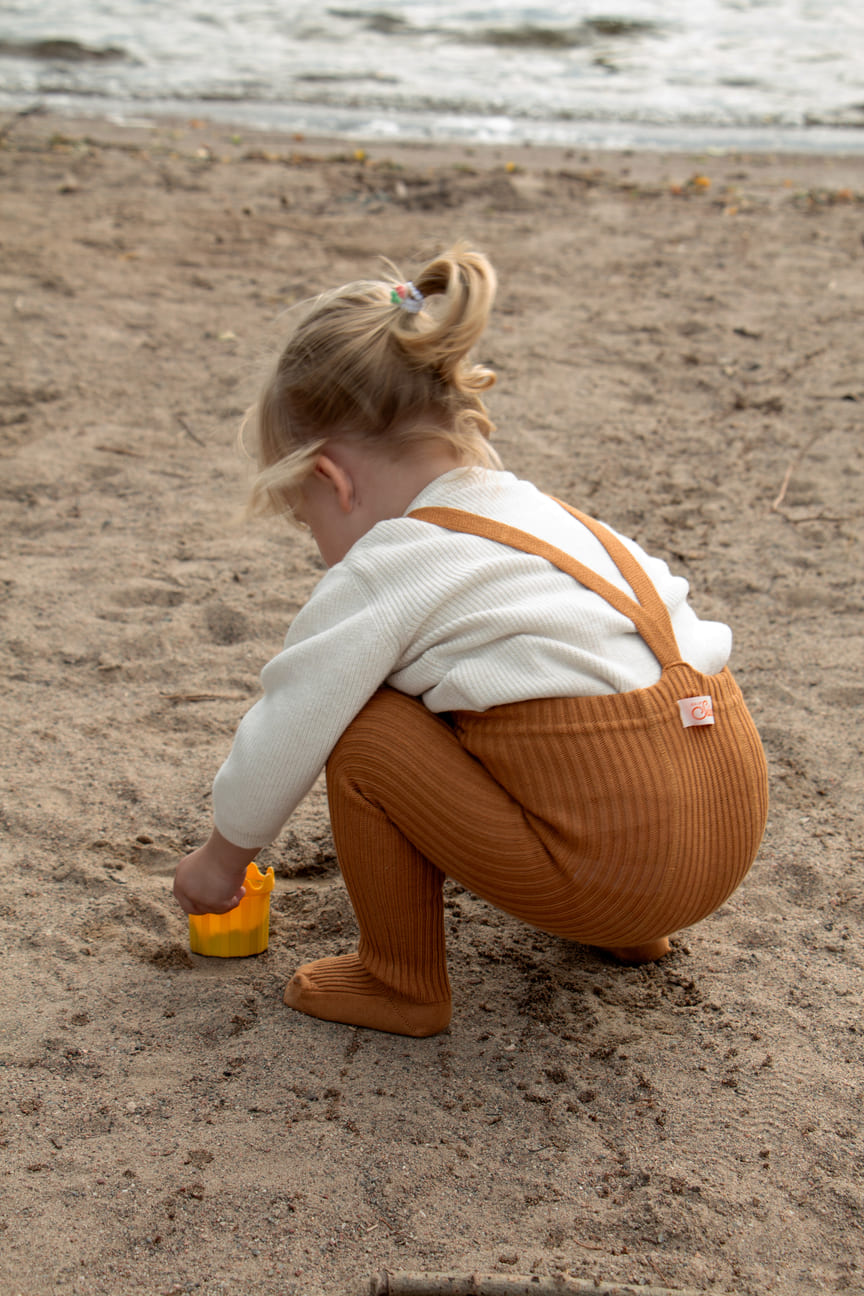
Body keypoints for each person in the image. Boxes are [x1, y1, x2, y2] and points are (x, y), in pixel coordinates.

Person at [173, 243, 768, 1038]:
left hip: (617, 868)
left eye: (304, 518)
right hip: (723, 832)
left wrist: (223, 857)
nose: (317, 541)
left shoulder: (394, 559)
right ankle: (631, 931)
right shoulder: (545, 519)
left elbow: (290, 723)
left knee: (362, 724)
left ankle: (399, 981)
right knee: (502, 691)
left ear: (333, 481)